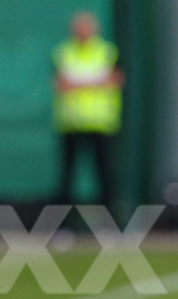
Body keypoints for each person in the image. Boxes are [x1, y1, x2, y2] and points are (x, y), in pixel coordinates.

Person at [52, 11, 124, 215]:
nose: (83, 32)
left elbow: (116, 79)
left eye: (87, 28)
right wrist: (96, 82)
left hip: (101, 123)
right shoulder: (63, 52)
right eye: (79, 28)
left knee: (105, 175)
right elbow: (61, 84)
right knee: (67, 177)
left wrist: (79, 83)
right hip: (71, 122)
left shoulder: (107, 51)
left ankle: (109, 223)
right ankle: (63, 225)